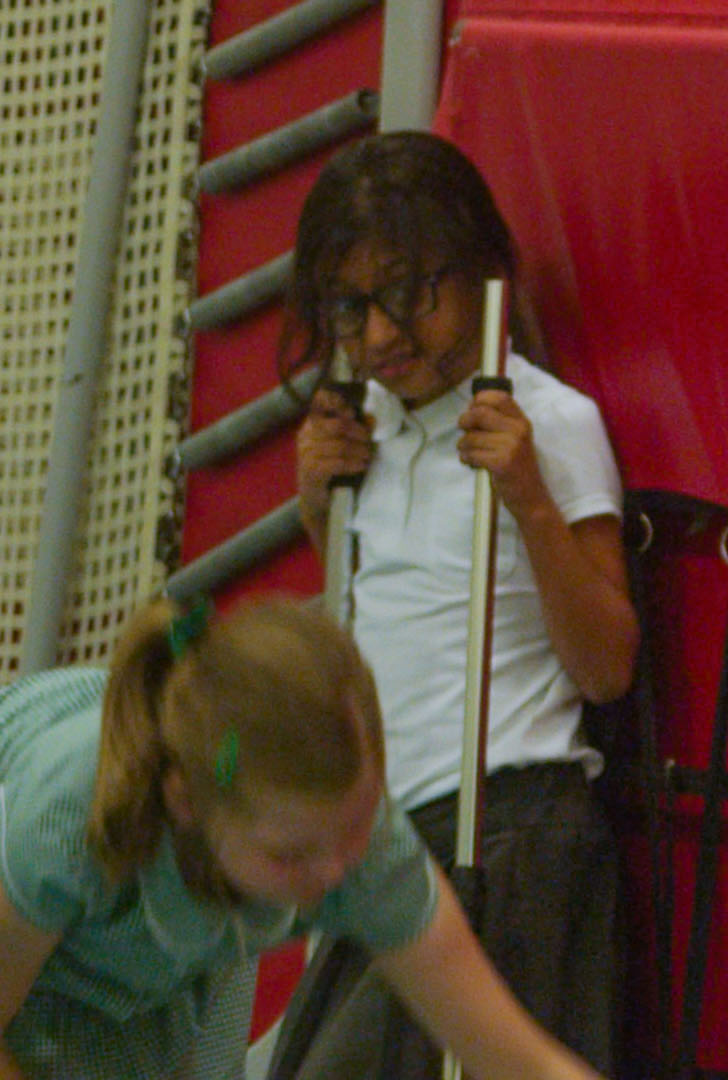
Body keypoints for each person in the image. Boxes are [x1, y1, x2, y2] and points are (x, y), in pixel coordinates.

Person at [274, 131, 634, 1078]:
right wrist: (322, 515)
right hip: (385, 835)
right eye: (353, 308)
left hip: (509, 830)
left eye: (408, 294)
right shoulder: (361, 427)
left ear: (478, 271)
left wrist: (531, 499)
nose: (384, 335)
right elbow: (390, 621)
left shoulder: (550, 421)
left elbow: (607, 665)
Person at [0, 596, 607, 1080]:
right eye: (291, 855)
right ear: (188, 804)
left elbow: (520, 1058)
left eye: (358, 825)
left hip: (141, 970)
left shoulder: (341, 841)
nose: (334, 872)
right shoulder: (69, 818)